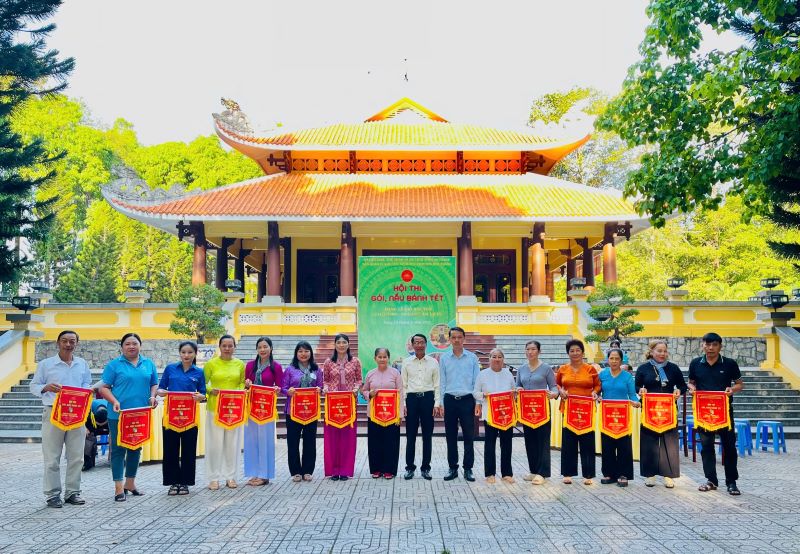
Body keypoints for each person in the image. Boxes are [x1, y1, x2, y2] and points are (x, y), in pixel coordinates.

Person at [30, 330, 92, 508]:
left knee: (77, 457)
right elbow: (34, 386)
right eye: (64, 341)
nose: (68, 344)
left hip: (76, 414)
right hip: (53, 413)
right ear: (58, 343)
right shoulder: (46, 364)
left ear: (76, 344)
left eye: (72, 341)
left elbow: (86, 384)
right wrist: (46, 387)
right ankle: (52, 494)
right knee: (52, 457)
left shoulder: (82, 364)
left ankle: (73, 492)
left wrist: (85, 392)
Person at [99, 333, 158, 502]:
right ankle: (119, 487)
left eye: (134, 343)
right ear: (122, 347)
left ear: (140, 345)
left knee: (136, 448)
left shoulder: (148, 363)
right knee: (118, 449)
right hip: (118, 414)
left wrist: (152, 396)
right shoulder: (114, 365)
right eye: (127, 344)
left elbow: (154, 383)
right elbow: (104, 388)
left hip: (140, 413)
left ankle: (130, 483)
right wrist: (114, 401)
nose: (131, 346)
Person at [688, 332, 744, 495]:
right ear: (703, 345)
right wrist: (692, 389)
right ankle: (711, 480)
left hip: (724, 412)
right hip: (704, 413)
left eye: (714, 345)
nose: (710, 348)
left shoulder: (729, 363)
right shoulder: (695, 363)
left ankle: (731, 482)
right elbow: (691, 383)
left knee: (729, 446)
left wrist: (731, 389)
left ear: (720, 346)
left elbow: (740, 384)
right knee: (706, 447)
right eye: (707, 344)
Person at [635, 339, 687, 489]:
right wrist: (641, 390)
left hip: (668, 411)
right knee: (649, 442)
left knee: (669, 443)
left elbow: (682, 386)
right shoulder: (643, 368)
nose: (662, 354)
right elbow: (636, 386)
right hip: (650, 411)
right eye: (659, 351)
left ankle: (668, 475)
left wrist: (679, 391)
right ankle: (650, 475)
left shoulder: (673, 368)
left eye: (664, 351)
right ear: (652, 352)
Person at [156, 341, 206, 495]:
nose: (186, 355)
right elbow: (160, 389)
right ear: (179, 353)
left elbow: (203, 393)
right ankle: (173, 482)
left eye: (190, 352)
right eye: (183, 352)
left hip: (190, 417)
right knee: (170, 449)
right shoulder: (170, 369)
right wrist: (161, 392)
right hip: (171, 416)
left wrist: (201, 396)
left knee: (188, 450)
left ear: (195, 354)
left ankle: (185, 482)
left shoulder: (199, 372)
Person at [437, 326, 480, 482]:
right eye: (453, 337)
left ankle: (468, 468)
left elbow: (477, 382)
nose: (456, 340)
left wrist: (478, 402)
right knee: (450, 436)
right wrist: (441, 403)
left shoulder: (472, 358)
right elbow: (442, 382)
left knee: (469, 435)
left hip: (467, 400)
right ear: (449, 340)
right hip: (450, 400)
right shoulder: (444, 358)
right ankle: (452, 468)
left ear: (464, 339)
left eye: (459, 337)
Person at [556, 339, 601, 485]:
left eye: (578, 350)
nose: (575, 353)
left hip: (586, 410)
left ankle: (588, 475)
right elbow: (557, 384)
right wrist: (560, 391)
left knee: (587, 441)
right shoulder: (563, 369)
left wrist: (595, 392)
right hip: (569, 409)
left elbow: (597, 385)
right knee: (568, 441)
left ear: (582, 352)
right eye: (572, 351)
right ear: (568, 353)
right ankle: (567, 473)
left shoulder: (590, 369)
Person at [204, 334, 246, 491]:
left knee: (232, 444)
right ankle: (213, 478)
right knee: (214, 444)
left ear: (235, 347)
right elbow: (203, 384)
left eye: (230, 346)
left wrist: (237, 391)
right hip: (215, 408)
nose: (227, 348)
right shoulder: (211, 364)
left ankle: (231, 476)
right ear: (220, 347)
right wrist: (210, 390)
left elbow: (242, 383)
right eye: (224, 346)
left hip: (233, 409)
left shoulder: (240, 364)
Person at [515, 340, 558, 485]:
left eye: (533, 349)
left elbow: (554, 387)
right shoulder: (521, 369)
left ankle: (542, 473)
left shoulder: (546, 368)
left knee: (543, 440)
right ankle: (533, 470)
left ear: (539, 351)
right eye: (527, 349)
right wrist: (518, 389)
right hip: (526, 410)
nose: (530, 352)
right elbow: (517, 385)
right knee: (530, 440)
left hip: (542, 410)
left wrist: (554, 394)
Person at [321, 333, 362, 481]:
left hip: (349, 404)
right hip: (332, 404)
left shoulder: (355, 361)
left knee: (347, 438)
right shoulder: (328, 362)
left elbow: (359, 380)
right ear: (335, 344)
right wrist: (326, 388)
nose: (341, 345)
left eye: (344, 342)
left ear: (348, 344)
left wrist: (356, 389)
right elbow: (325, 380)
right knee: (332, 437)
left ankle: (345, 470)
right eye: (338, 342)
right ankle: (333, 470)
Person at [243, 337, 283, 487]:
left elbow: (280, 387)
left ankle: (264, 474)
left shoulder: (276, 366)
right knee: (252, 441)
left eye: (265, 346)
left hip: (267, 409)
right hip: (252, 408)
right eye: (259, 347)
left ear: (271, 348)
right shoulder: (250, 365)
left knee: (266, 441)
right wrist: (247, 384)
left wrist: (277, 389)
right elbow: (245, 386)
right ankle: (254, 472)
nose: (262, 349)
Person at [597, 348, 640, 487]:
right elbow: (597, 391)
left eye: (617, 359)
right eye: (611, 358)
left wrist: (636, 402)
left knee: (624, 445)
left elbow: (632, 395)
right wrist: (597, 396)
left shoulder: (627, 377)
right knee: (607, 444)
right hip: (607, 415)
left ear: (621, 361)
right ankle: (609, 474)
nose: (614, 361)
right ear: (607, 360)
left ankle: (623, 474)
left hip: (623, 416)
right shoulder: (602, 375)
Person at [282, 341, 323, 482]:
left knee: (310, 441)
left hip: (310, 410)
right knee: (293, 442)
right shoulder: (290, 369)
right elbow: (283, 388)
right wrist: (288, 391)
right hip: (292, 411)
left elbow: (321, 386)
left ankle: (307, 471)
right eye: (300, 351)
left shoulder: (316, 370)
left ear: (310, 353)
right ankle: (295, 472)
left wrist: (319, 390)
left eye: (306, 351)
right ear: (296, 353)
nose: (303, 354)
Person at [473, 348, 516, 484]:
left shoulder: (508, 374)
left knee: (507, 444)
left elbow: (514, 392)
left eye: (499, 357)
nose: (497, 359)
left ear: (503, 359)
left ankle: (507, 473)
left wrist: (515, 393)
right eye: (494, 357)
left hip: (506, 415)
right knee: (490, 444)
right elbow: (475, 392)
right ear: (489, 359)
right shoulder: (482, 374)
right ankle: (490, 473)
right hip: (490, 415)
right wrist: (483, 395)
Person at [401, 333, 440, 480]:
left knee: (427, 436)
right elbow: (403, 385)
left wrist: (437, 403)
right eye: (416, 342)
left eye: (422, 342)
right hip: (411, 399)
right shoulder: (406, 362)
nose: (419, 345)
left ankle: (426, 468)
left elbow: (437, 384)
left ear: (426, 344)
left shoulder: (433, 362)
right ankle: (410, 468)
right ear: (412, 345)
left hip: (428, 399)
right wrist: (404, 403)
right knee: (410, 435)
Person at [362, 347, 403, 479]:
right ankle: (376, 469)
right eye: (379, 357)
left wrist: (400, 414)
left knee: (391, 442)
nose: (382, 359)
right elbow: (364, 390)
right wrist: (369, 394)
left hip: (392, 414)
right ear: (375, 358)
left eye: (385, 357)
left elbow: (401, 393)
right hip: (374, 415)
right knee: (375, 442)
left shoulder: (395, 373)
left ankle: (389, 470)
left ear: (388, 358)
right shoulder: (370, 374)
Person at [83, 396, 110, 471]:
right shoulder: (89, 408)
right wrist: (86, 428)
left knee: (114, 435)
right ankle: (88, 460)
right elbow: (83, 419)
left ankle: (113, 458)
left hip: (108, 422)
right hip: (92, 422)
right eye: (99, 424)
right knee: (88, 436)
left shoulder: (110, 407)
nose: (100, 425)